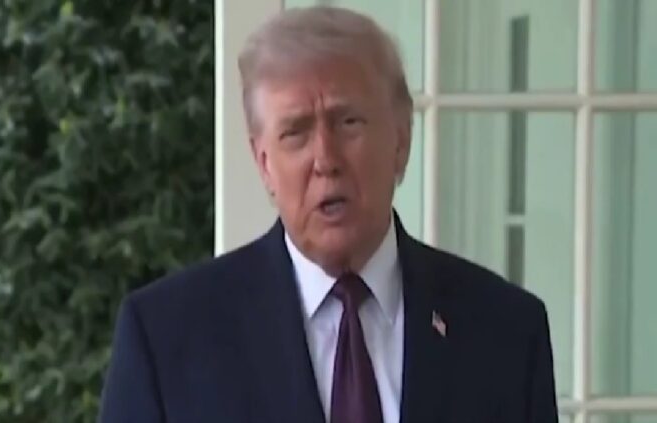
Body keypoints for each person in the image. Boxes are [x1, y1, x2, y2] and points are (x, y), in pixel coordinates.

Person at [99, 6, 558, 423]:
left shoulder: (507, 331)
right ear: (264, 163)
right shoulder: (165, 338)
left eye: (348, 122)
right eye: (296, 132)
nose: (325, 159)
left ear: (401, 141)